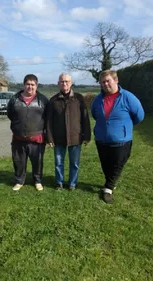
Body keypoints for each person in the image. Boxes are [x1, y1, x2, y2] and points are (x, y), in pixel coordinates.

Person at [91, 69, 145, 203]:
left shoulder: (128, 97)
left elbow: (139, 115)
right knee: (106, 164)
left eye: (108, 81)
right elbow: (94, 114)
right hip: (101, 139)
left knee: (117, 164)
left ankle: (108, 188)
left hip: (121, 140)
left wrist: (124, 127)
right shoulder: (98, 99)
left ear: (116, 80)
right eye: (102, 82)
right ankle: (110, 182)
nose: (105, 84)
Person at [46, 73, 91, 190]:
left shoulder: (79, 98)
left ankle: (72, 183)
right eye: (62, 82)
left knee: (74, 163)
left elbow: (85, 118)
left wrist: (87, 136)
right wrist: (49, 138)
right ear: (58, 84)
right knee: (58, 163)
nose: (64, 84)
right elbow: (49, 121)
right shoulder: (53, 100)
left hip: (75, 137)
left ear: (71, 83)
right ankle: (59, 182)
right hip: (58, 137)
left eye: (67, 81)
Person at [7, 74, 48, 191]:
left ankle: (38, 181)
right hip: (18, 139)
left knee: (38, 162)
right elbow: (11, 114)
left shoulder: (43, 100)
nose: (30, 87)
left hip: (37, 139)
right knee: (18, 161)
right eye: (28, 84)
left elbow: (47, 117)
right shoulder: (14, 99)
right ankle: (19, 181)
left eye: (32, 84)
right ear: (24, 85)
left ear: (37, 85)